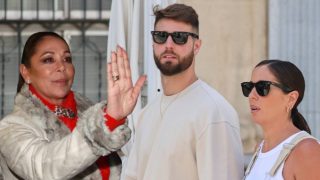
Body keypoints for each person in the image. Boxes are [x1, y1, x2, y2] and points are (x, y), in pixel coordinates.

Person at [0, 31, 146, 180]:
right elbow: (44, 168)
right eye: (49, 60)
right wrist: (106, 124)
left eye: (67, 59)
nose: (61, 66)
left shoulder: (90, 115)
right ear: (26, 73)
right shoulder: (10, 128)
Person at [123, 3, 243, 180]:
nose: (168, 44)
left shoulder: (214, 113)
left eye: (179, 37)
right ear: (153, 42)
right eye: (161, 36)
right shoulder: (147, 114)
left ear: (197, 46)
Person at [241, 60, 320, 180]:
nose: (252, 95)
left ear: (291, 99)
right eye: (249, 87)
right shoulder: (259, 149)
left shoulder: (306, 151)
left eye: (262, 87)